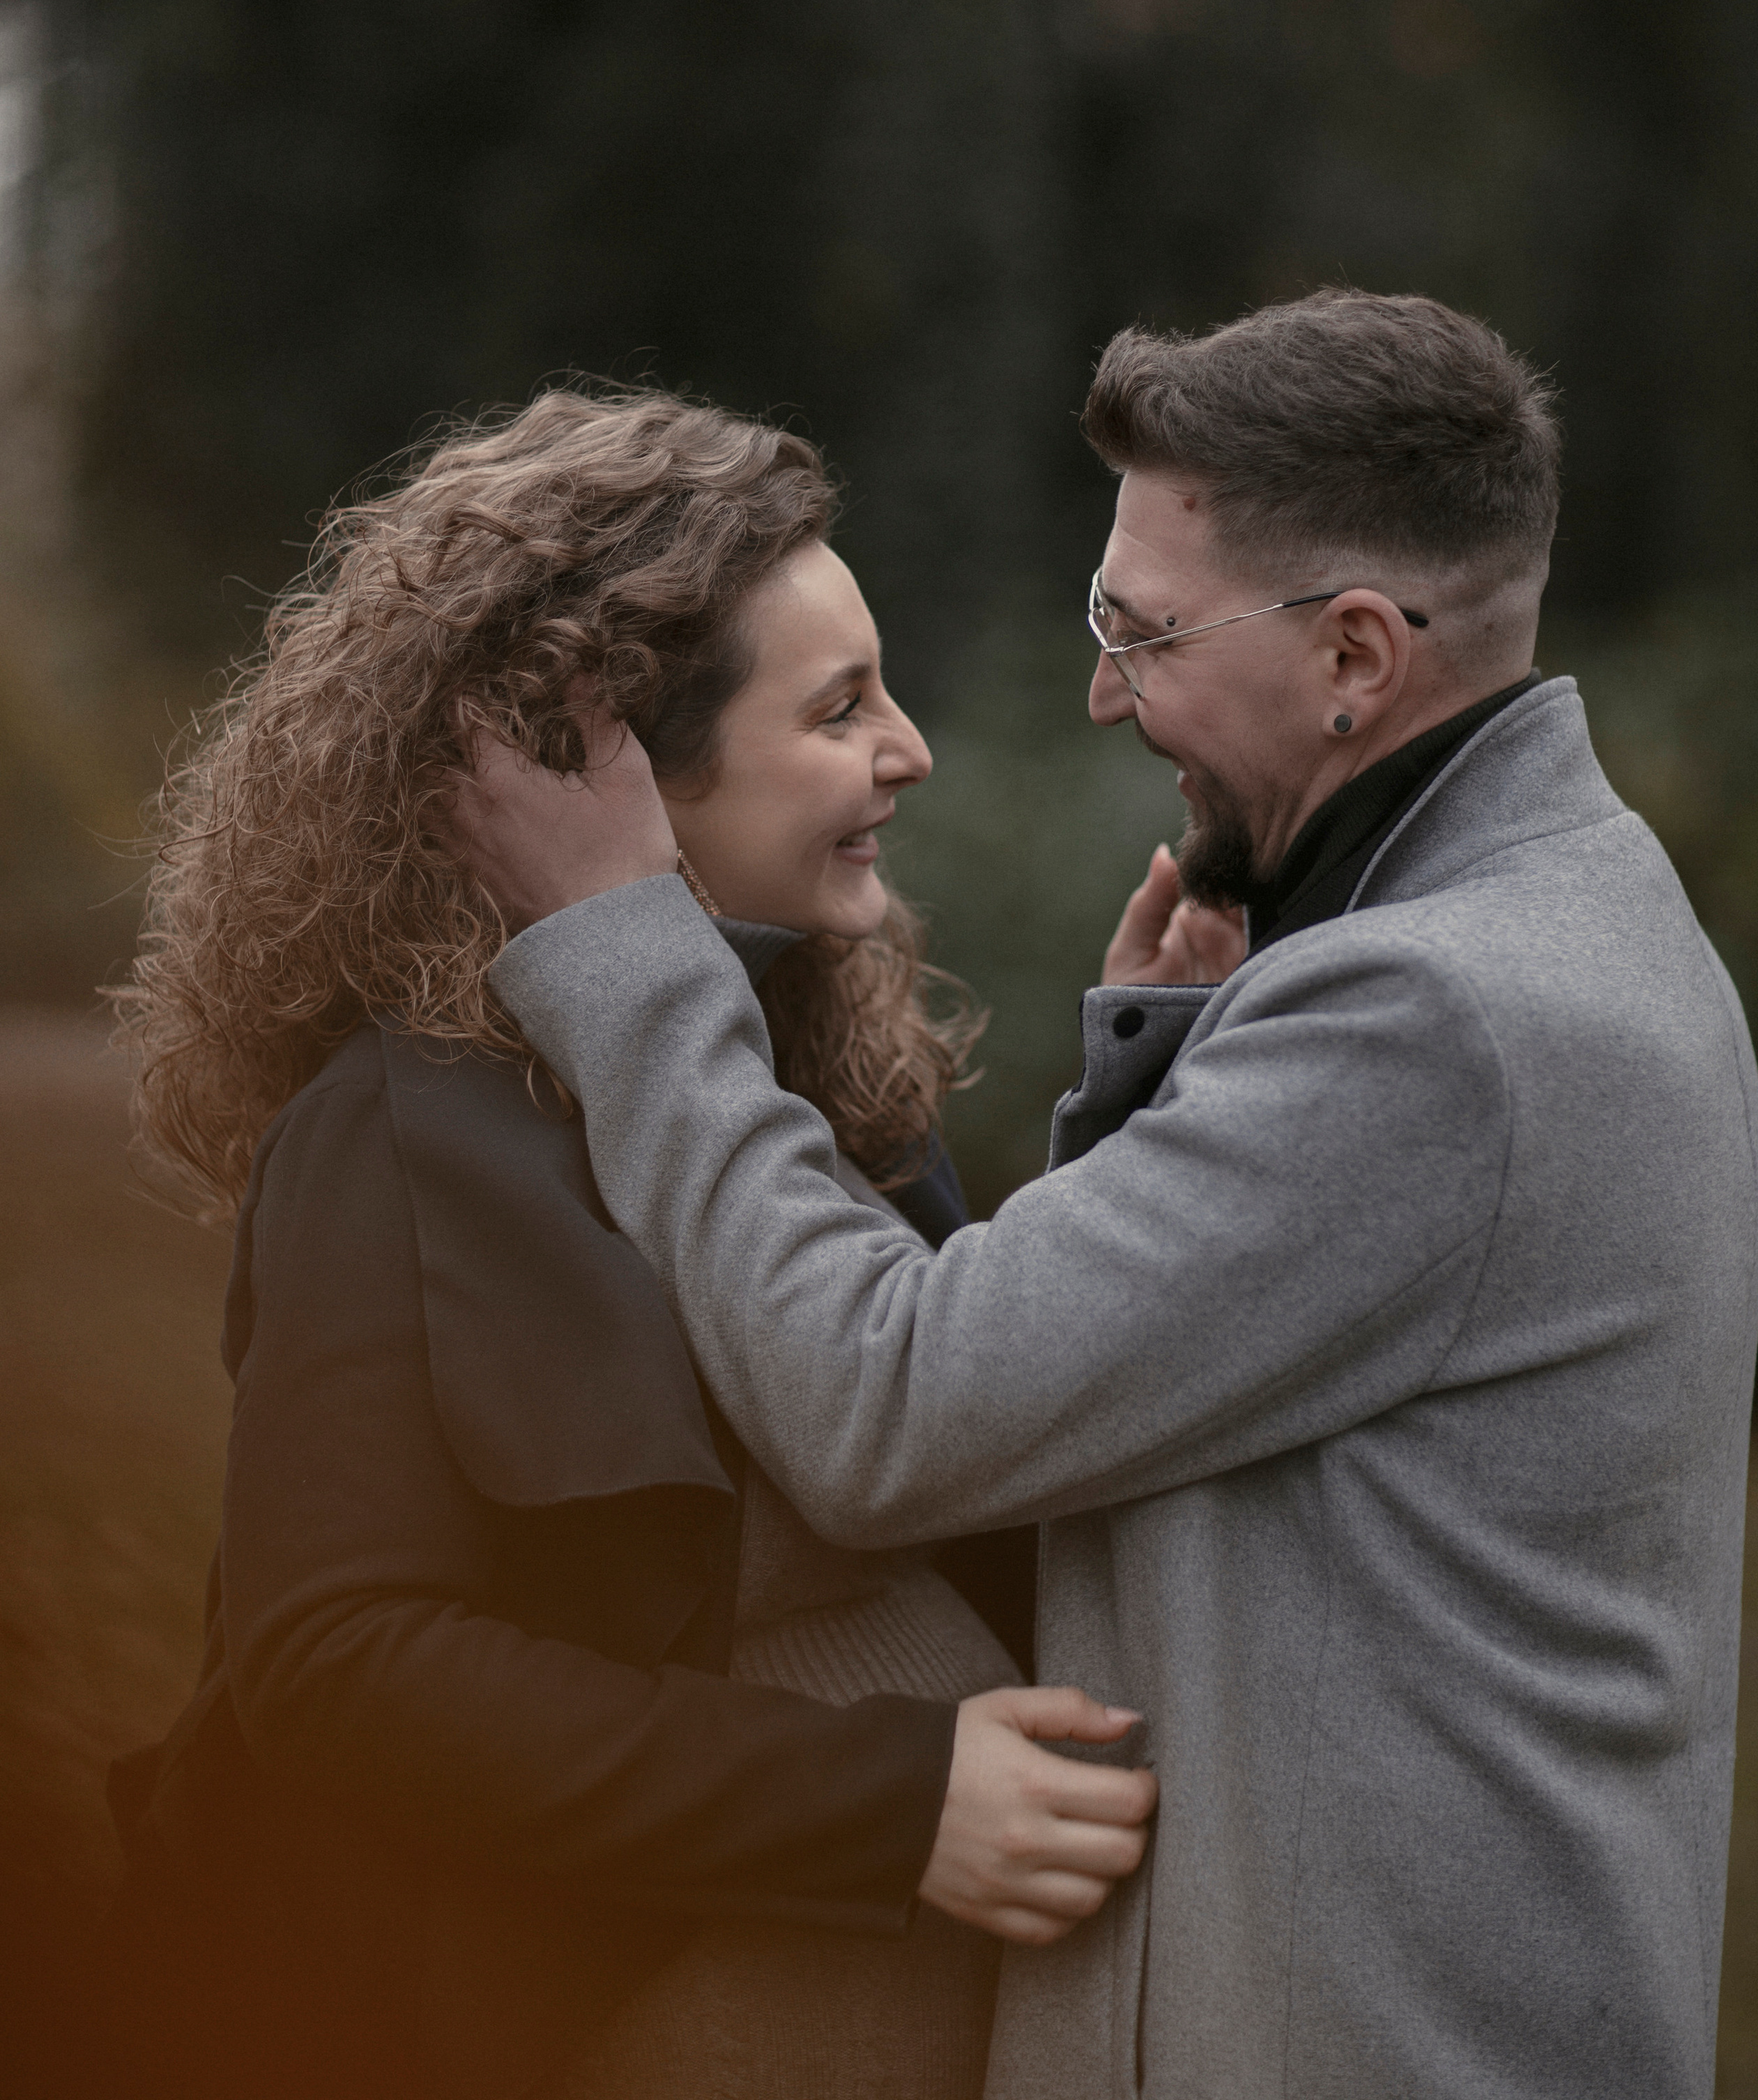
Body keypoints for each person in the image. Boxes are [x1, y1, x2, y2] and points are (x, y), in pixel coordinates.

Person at [448, 293, 1758, 2100]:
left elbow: (888, 1408)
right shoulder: (1574, 917)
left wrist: (626, 956)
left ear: (1355, 659)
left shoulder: (1430, 1021)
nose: (1101, 690)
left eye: (1141, 632)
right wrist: (1184, 1087)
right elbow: (1229, 1393)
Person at [98, 389, 1157, 2100]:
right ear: (603, 768)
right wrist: (888, 1808)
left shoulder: (821, 1070)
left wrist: (1135, 1129)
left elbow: (950, 1425)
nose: (911, 750)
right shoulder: (401, 1130)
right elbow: (335, 1662)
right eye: (838, 708)